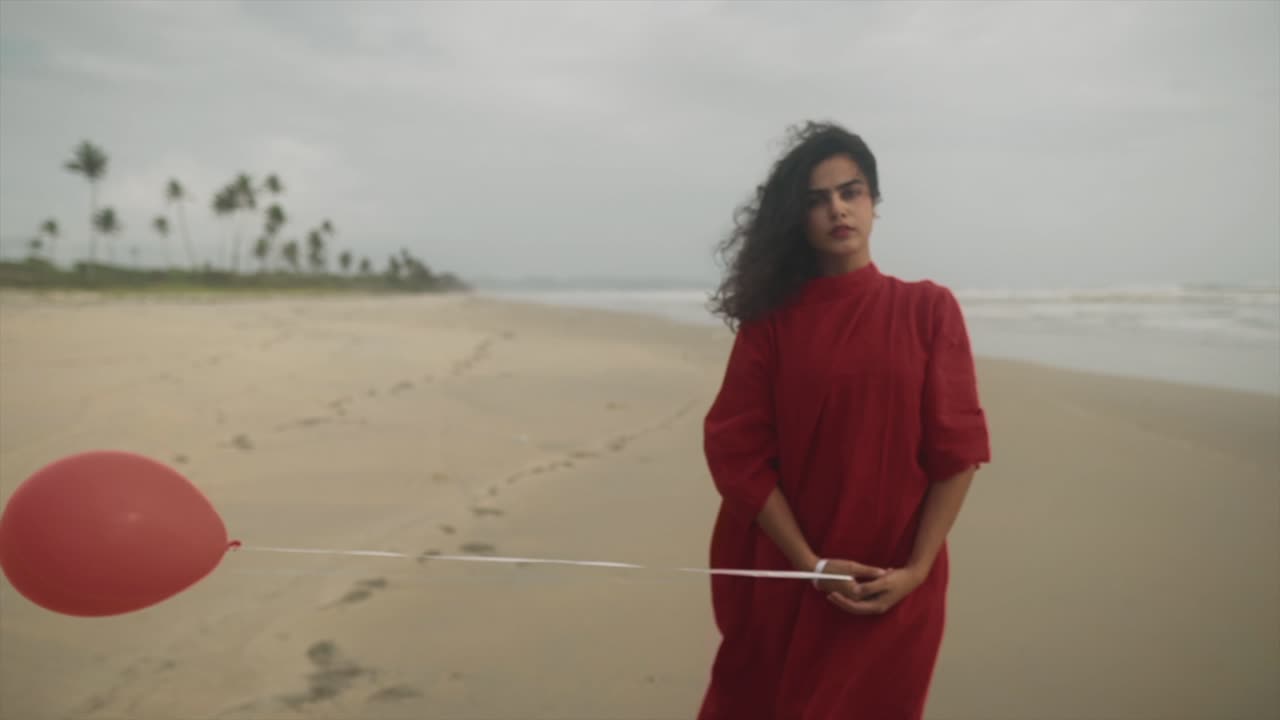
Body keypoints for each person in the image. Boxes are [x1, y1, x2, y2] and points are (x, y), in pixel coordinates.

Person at [698, 121, 991, 720]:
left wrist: (917, 571)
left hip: (893, 586)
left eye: (850, 192)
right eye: (817, 200)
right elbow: (736, 453)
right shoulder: (772, 325)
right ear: (798, 219)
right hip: (791, 577)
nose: (837, 209)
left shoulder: (927, 309)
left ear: (873, 202)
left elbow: (957, 450)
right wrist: (810, 566)